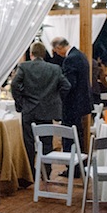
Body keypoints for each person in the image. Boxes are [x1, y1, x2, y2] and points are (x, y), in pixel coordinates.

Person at [12, 41, 70, 170]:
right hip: (47, 110)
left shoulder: (24, 67)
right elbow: (66, 86)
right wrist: (55, 98)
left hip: (29, 109)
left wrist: (20, 102)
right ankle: (46, 171)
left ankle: (30, 173)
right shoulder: (55, 68)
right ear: (44, 54)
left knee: (29, 142)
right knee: (47, 142)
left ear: (31, 54)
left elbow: (14, 85)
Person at [50, 37, 93, 160]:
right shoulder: (80, 55)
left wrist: (58, 96)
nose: (57, 54)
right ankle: (78, 165)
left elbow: (69, 84)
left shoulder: (70, 59)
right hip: (81, 102)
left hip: (72, 104)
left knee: (69, 136)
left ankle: (71, 167)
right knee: (77, 134)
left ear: (59, 47)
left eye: (56, 51)